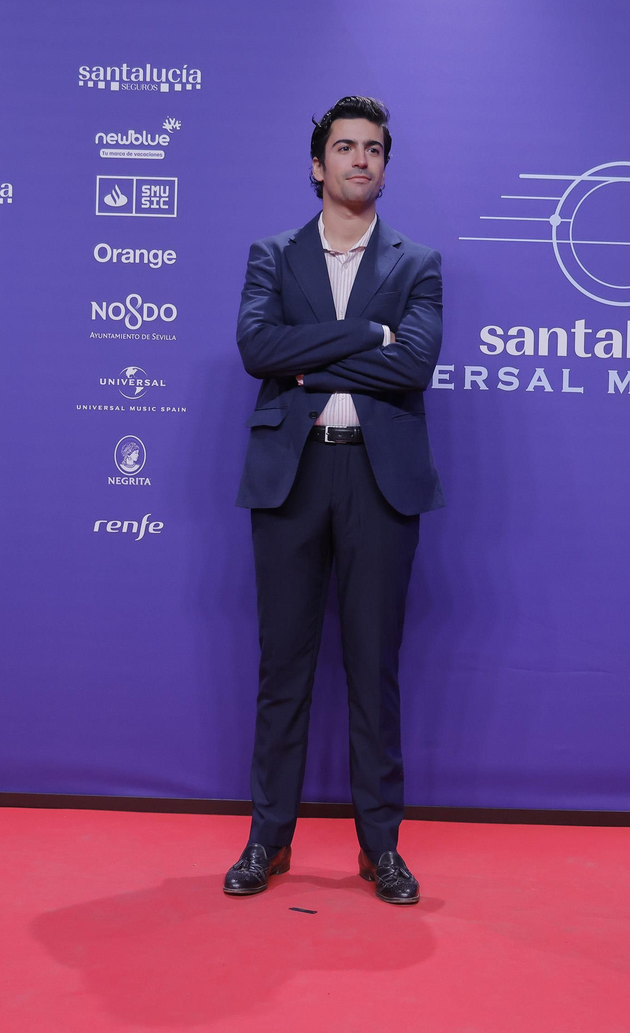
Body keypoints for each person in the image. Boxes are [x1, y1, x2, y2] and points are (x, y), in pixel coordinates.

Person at [226, 96, 443, 904]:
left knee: (372, 670)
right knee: (283, 669)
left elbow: (413, 367)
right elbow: (258, 348)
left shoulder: (418, 264)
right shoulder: (271, 255)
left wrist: (310, 365)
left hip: (379, 483)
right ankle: (266, 840)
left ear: (385, 165)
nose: (361, 159)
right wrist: (366, 337)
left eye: (374, 149)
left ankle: (381, 848)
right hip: (293, 476)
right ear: (318, 164)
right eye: (346, 147)